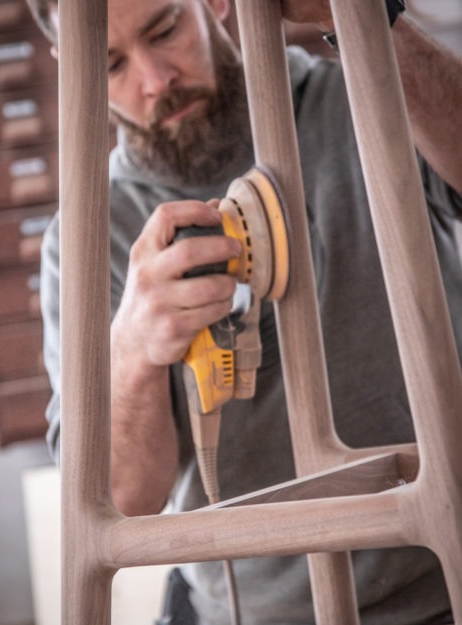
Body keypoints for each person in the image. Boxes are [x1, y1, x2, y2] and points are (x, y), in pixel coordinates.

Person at [26, 0, 462, 623]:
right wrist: (133, 352)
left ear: (215, 3)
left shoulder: (362, 97)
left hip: (446, 563)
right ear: (72, 68)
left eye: (165, 29)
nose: (154, 80)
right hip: (257, 608)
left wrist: (366, 18)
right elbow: (118, 498)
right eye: (112, 63)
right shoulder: (87, 241)